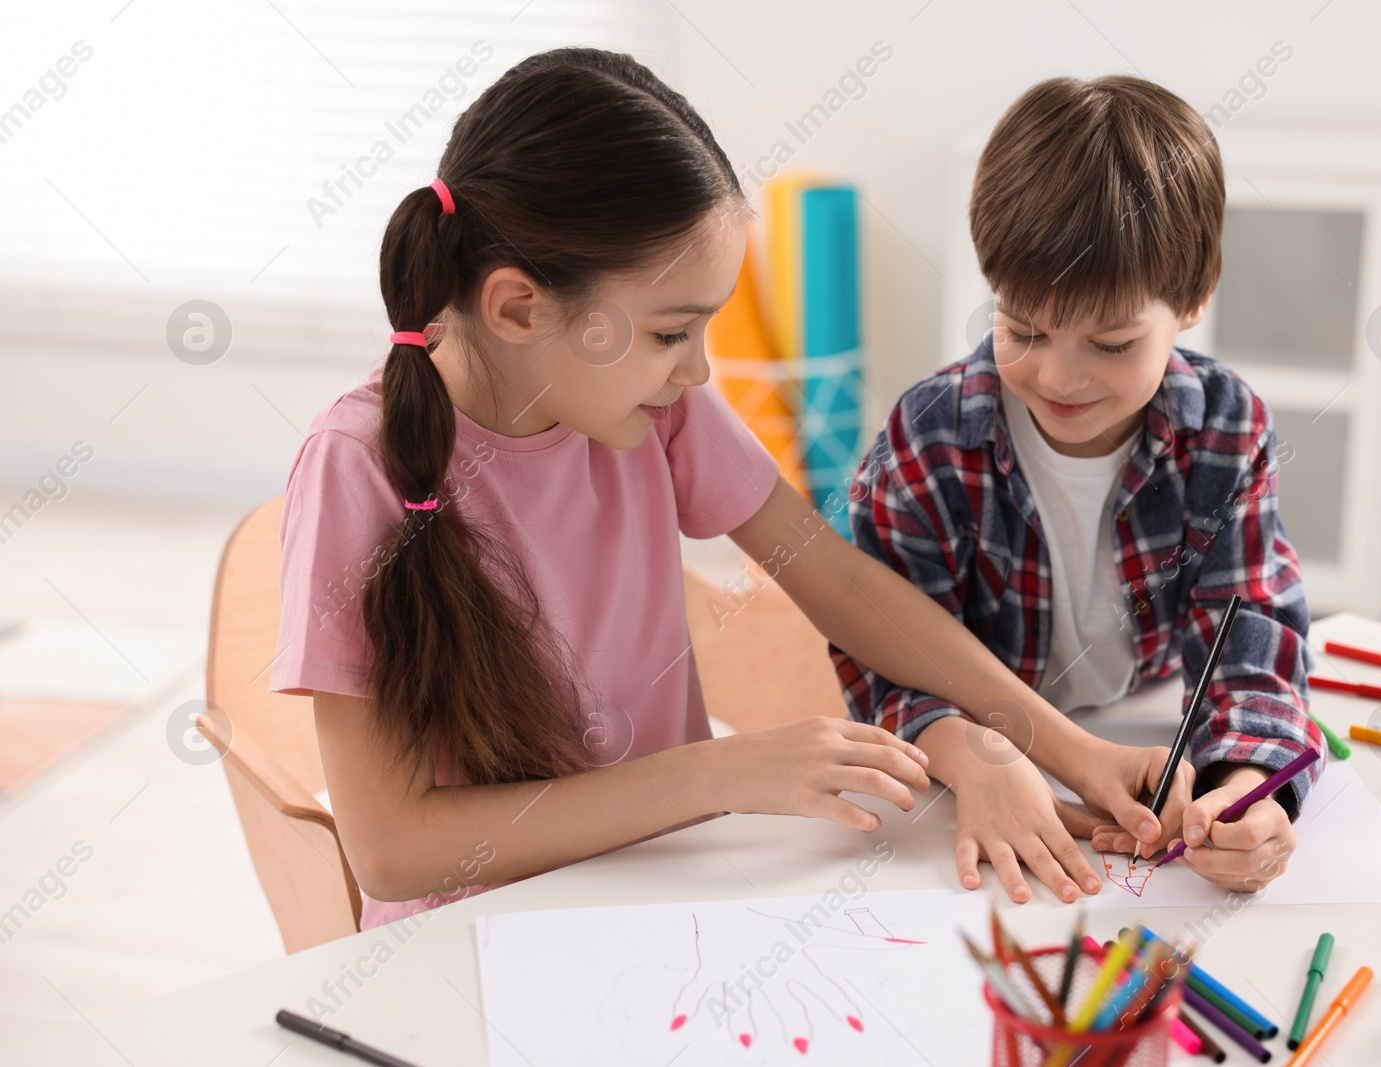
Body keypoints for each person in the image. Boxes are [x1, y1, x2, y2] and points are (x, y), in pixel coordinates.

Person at [272, 49, 1184, 928]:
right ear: (518, 307)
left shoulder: (647, 406)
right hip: (474, 943)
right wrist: (717, 772)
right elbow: (392, 849)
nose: (699, 369)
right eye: (673, 332)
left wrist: (1069, 748)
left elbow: (848, 587)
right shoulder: (360, 468)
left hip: (671, 896)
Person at [834, 74, 1320, 893]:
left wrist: (1246, 786)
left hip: (1146, 720)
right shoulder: (930, 437)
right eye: (1024, 327)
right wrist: (974, 753)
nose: (1060, 375)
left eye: (1113, 342)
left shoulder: (1226, 429)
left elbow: (1251, 640)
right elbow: (883, 659)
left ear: (1194, 301)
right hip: (987, 744)